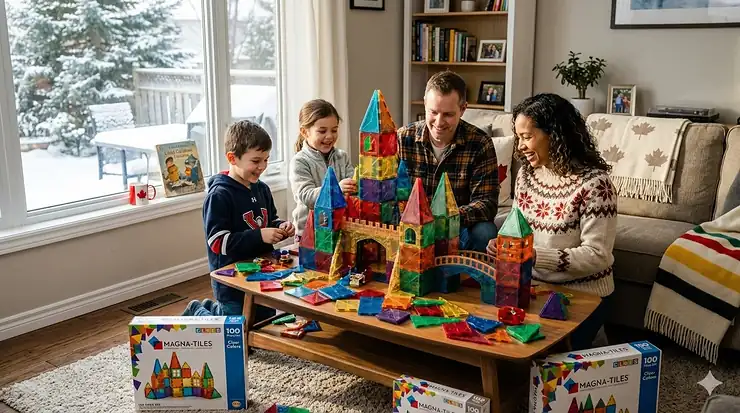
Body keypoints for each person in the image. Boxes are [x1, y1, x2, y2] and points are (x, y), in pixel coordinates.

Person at [486, 93, 617, 350]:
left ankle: (592, 336)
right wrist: (503, 243)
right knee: (494, 340)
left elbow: (597, 255)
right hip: (534, 286)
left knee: (545, 361)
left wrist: (536, 256)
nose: (520, 146)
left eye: (527, 137)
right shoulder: (526, 175)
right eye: (518, 137)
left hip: (585, 292)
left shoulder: (596, 184)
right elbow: (517, 227)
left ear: (554, 135)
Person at [183, 120, 295, 318]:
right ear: (232, 158)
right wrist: (260, 236)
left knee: (264, 322)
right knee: (235, 337)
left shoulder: (262, 189)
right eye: (255, 161)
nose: (262, 167)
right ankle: (197, 311)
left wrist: (281, 226)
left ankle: (213, 309)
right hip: (232, 281)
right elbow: (218, 243)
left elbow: (269, 221)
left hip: (262, 275)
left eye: (266, 160)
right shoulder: (219, 195)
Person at [397, 70, 499, 253]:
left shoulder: (480, 143)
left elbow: (486, 203)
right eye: (433, 112)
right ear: (425, 104)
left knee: (485, 232)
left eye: (448, 114)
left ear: (463, 109)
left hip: (456, 227)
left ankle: (463, 277)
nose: (439, 121)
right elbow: (385, 188)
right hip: (409, 224)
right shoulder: (402, 138)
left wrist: (445, 218)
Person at [290, 99, 356, 239]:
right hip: (310, 233)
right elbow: (307, 196)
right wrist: (336, 189)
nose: (330, 136)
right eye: (322, 131)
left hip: (340, 228)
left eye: (334, 130)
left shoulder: (341, 156)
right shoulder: (300, 161)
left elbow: (353, 186)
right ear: (304, 132)